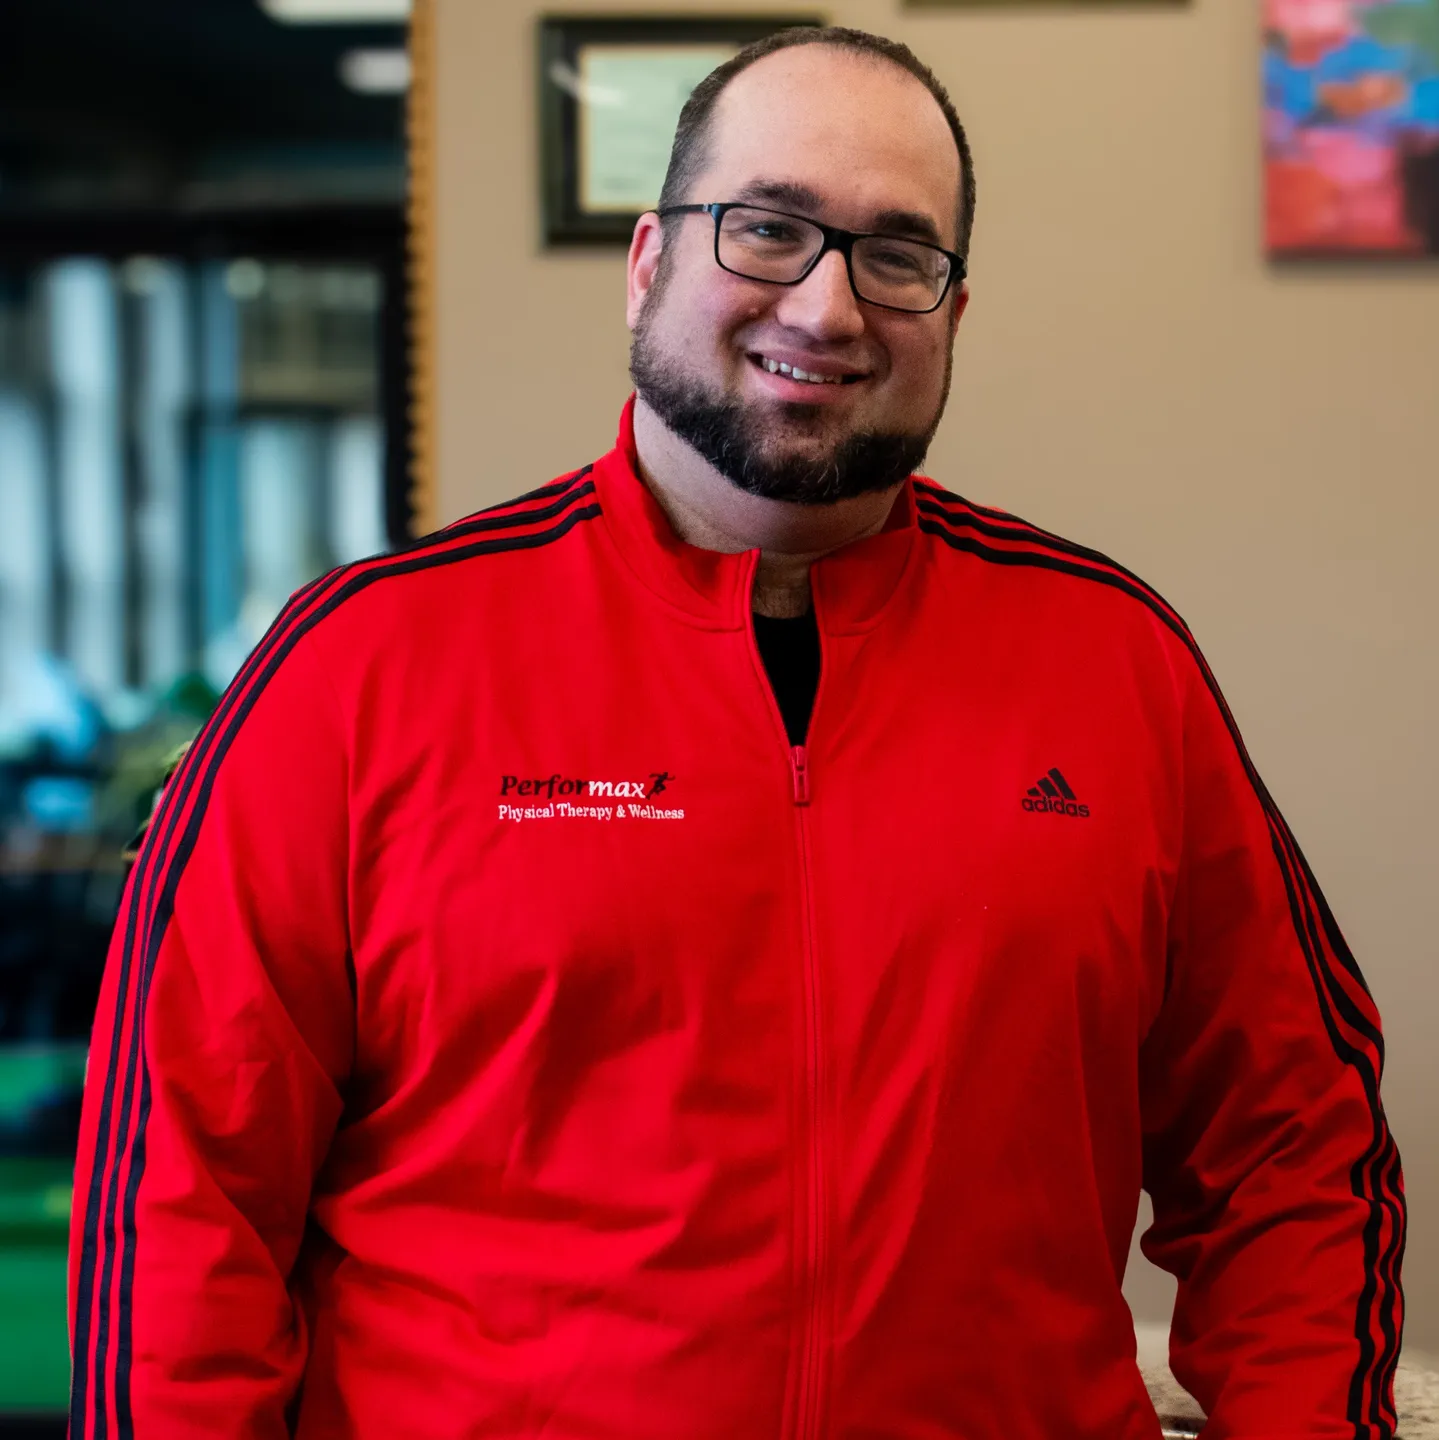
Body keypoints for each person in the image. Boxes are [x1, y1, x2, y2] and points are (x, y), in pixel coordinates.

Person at [68, 25, 1406, 1440]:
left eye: (897, 254)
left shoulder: (1115, 663)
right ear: (648, 261)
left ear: (952, 311)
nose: (827, 307)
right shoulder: (361, 664)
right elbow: (177, 1189)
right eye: (766, 228)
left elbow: (1291, 1154)